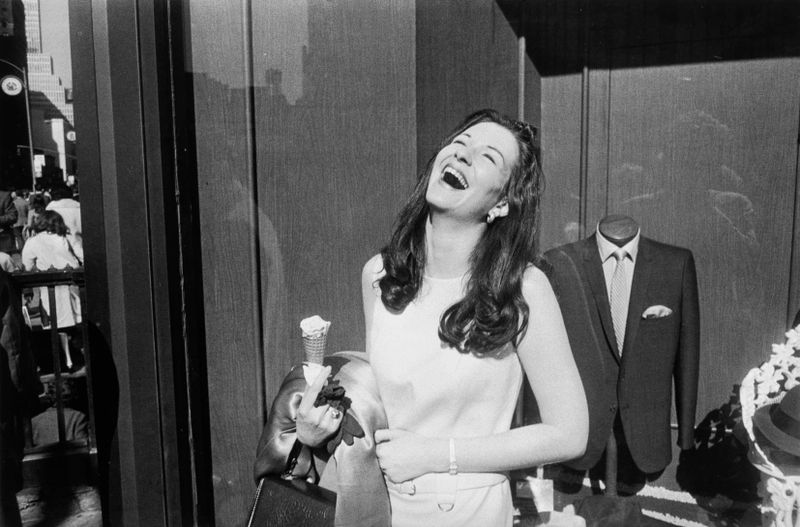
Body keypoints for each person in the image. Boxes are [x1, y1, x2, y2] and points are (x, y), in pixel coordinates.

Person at [297, 109, 588, 526]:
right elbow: (384, 406)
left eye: (487, 157)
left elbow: (570, 433)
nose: (463, 155)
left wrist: (437, 455)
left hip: (466, 510)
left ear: (502, 202)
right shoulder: (380, 274)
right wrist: (318, 432)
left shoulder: (523, 287)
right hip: (378, 503)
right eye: (460, 143)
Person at [21, 211, 84, 371]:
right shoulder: (65, 238)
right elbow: (82, 256)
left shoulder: (33, 242)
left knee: (56, 324)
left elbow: (26, 266)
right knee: (75, 321)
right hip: (70, 285)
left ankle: (64, 360)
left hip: (49, 289)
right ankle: (76, 357)